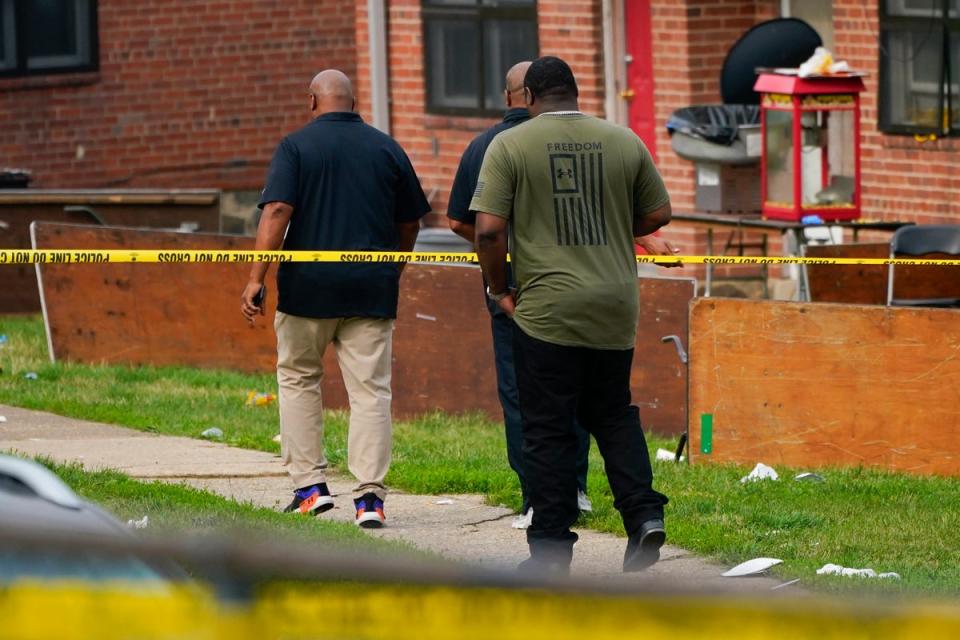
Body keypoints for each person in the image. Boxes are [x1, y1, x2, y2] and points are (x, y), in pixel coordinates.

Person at [471, 56, 675, 575]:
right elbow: (658, 214)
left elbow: (488, 230)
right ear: (575, 94)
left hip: (547, 309)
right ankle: (645, 516)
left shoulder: (510, 145)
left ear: (529, 98)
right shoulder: (624, 140)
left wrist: (500, 289)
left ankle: (551, 550)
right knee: (612, 412)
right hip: (614, 305)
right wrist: (608, 218)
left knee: (547, 427)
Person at [241, 69, 430, 528]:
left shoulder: (296, 147)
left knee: (300, 379)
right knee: (370, 393)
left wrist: (255, 278)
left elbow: (279, 210)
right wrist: (392, 267)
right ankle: (370, 499)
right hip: (371, 290)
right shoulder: (387, 147)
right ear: (352, 101)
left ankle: (310, 488)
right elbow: (411, 223)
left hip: (307, 291)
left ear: (312, 101)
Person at [447, 61, 592, 529]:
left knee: (519, 390)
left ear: (512, 95)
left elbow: (459, 221)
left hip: (509, 285)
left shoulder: (482, 147)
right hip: (570, 277)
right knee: (575, 384)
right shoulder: (574, 140)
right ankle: (576, 486)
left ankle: (535, 495)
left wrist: (501, 253)